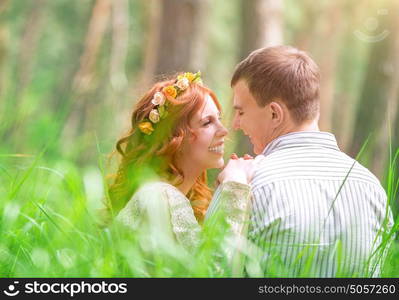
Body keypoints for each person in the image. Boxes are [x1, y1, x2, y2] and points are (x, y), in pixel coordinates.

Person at [215, 45, 394, 277]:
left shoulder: (244, 186)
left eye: (240, 112)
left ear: (274, 113)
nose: (235, 125)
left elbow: (211, 272)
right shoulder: (372, 188)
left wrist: (231, 189)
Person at [106, 72, 254, 267]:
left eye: (219, 119)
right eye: (207, 122)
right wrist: (235, 185)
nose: (224, 130)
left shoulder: (162, 194)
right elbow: (211, 274)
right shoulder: (162, 197)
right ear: (174, 138)